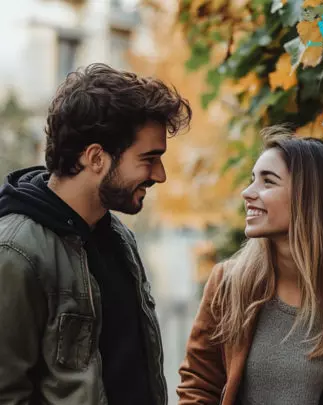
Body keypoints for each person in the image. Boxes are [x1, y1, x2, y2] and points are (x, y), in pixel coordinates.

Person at [0, 63, 191, 405]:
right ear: (96, 157)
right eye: (149, 159)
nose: (160, 175)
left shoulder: (118, 237)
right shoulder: (16, 252)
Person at [177, 125, 323, 405]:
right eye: (252, 179)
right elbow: (198, 387)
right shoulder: (229, 284)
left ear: (308, 196)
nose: (248, 192)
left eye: (268, 181)